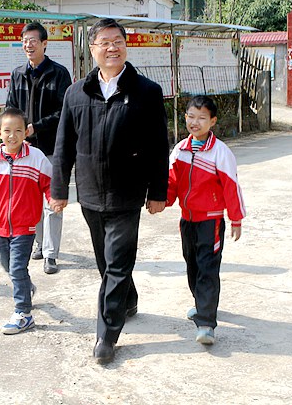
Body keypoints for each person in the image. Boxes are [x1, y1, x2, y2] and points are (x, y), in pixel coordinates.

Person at [50, 18, 169, 364]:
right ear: (93, 49)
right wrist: (59, 189)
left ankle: (106, 335)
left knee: (117, 263)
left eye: (117, 41)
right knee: (107, 263)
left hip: (127, 194)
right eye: (104, 42)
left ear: (125, 46)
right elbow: (63, 146)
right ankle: (128, 299)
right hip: (90, 194)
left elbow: (158, 146)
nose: (112, 48)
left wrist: (158, 191)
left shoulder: (147, 92)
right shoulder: (76, 93)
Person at [167, 96, 246, 345]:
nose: (195, 122)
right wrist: (161, 201)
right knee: (192, 265)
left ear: (212, 121)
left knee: (207, 268)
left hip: (210, 222)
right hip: (187, 220)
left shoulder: (220, 152)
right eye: (191, 116)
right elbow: (171, 182)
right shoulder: (180, 149)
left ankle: (206, 323)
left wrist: (236, 219)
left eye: (202, 118)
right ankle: (201, 304)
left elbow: (232, 187)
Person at [6, 22, 72, 275]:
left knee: (52, 201)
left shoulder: (59, 74)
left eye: (33, 40)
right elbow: (10, 108)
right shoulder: (17, 74)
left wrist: (36, 127)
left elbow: (64, 112)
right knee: (31, 201)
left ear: (45, 44)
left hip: (52, 147)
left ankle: (51, 254)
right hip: (26, 149)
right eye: (25, 41)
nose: (28, 45)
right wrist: (14, 133)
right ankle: (40, 244)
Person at [0, 108, 52, 335]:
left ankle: (23, 313)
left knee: (17, 267)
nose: (13, 135)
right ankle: (26, 288)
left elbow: (49, 182)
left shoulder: (36, 158)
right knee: (8, 265)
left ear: (26, 132)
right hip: (1, 228)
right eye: (7, 130)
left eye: (18, 130)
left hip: (25, 226)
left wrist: (53, 199)